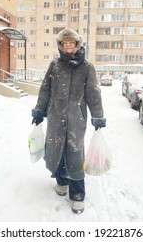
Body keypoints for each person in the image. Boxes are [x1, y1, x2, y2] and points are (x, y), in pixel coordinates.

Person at [31, 28, 106, 214]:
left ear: (77, 44)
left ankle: (77, 195)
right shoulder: (55, 65)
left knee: (74, 152)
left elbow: (93, 93)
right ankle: (61, 181)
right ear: (61, 45)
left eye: (71, 43)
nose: (68, 46)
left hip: (76, 117)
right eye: (64, 43)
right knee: (56, 148)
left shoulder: (86, 66)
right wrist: (40, 109)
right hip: (55, 116)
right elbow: (45, 89)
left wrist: (97, 115)